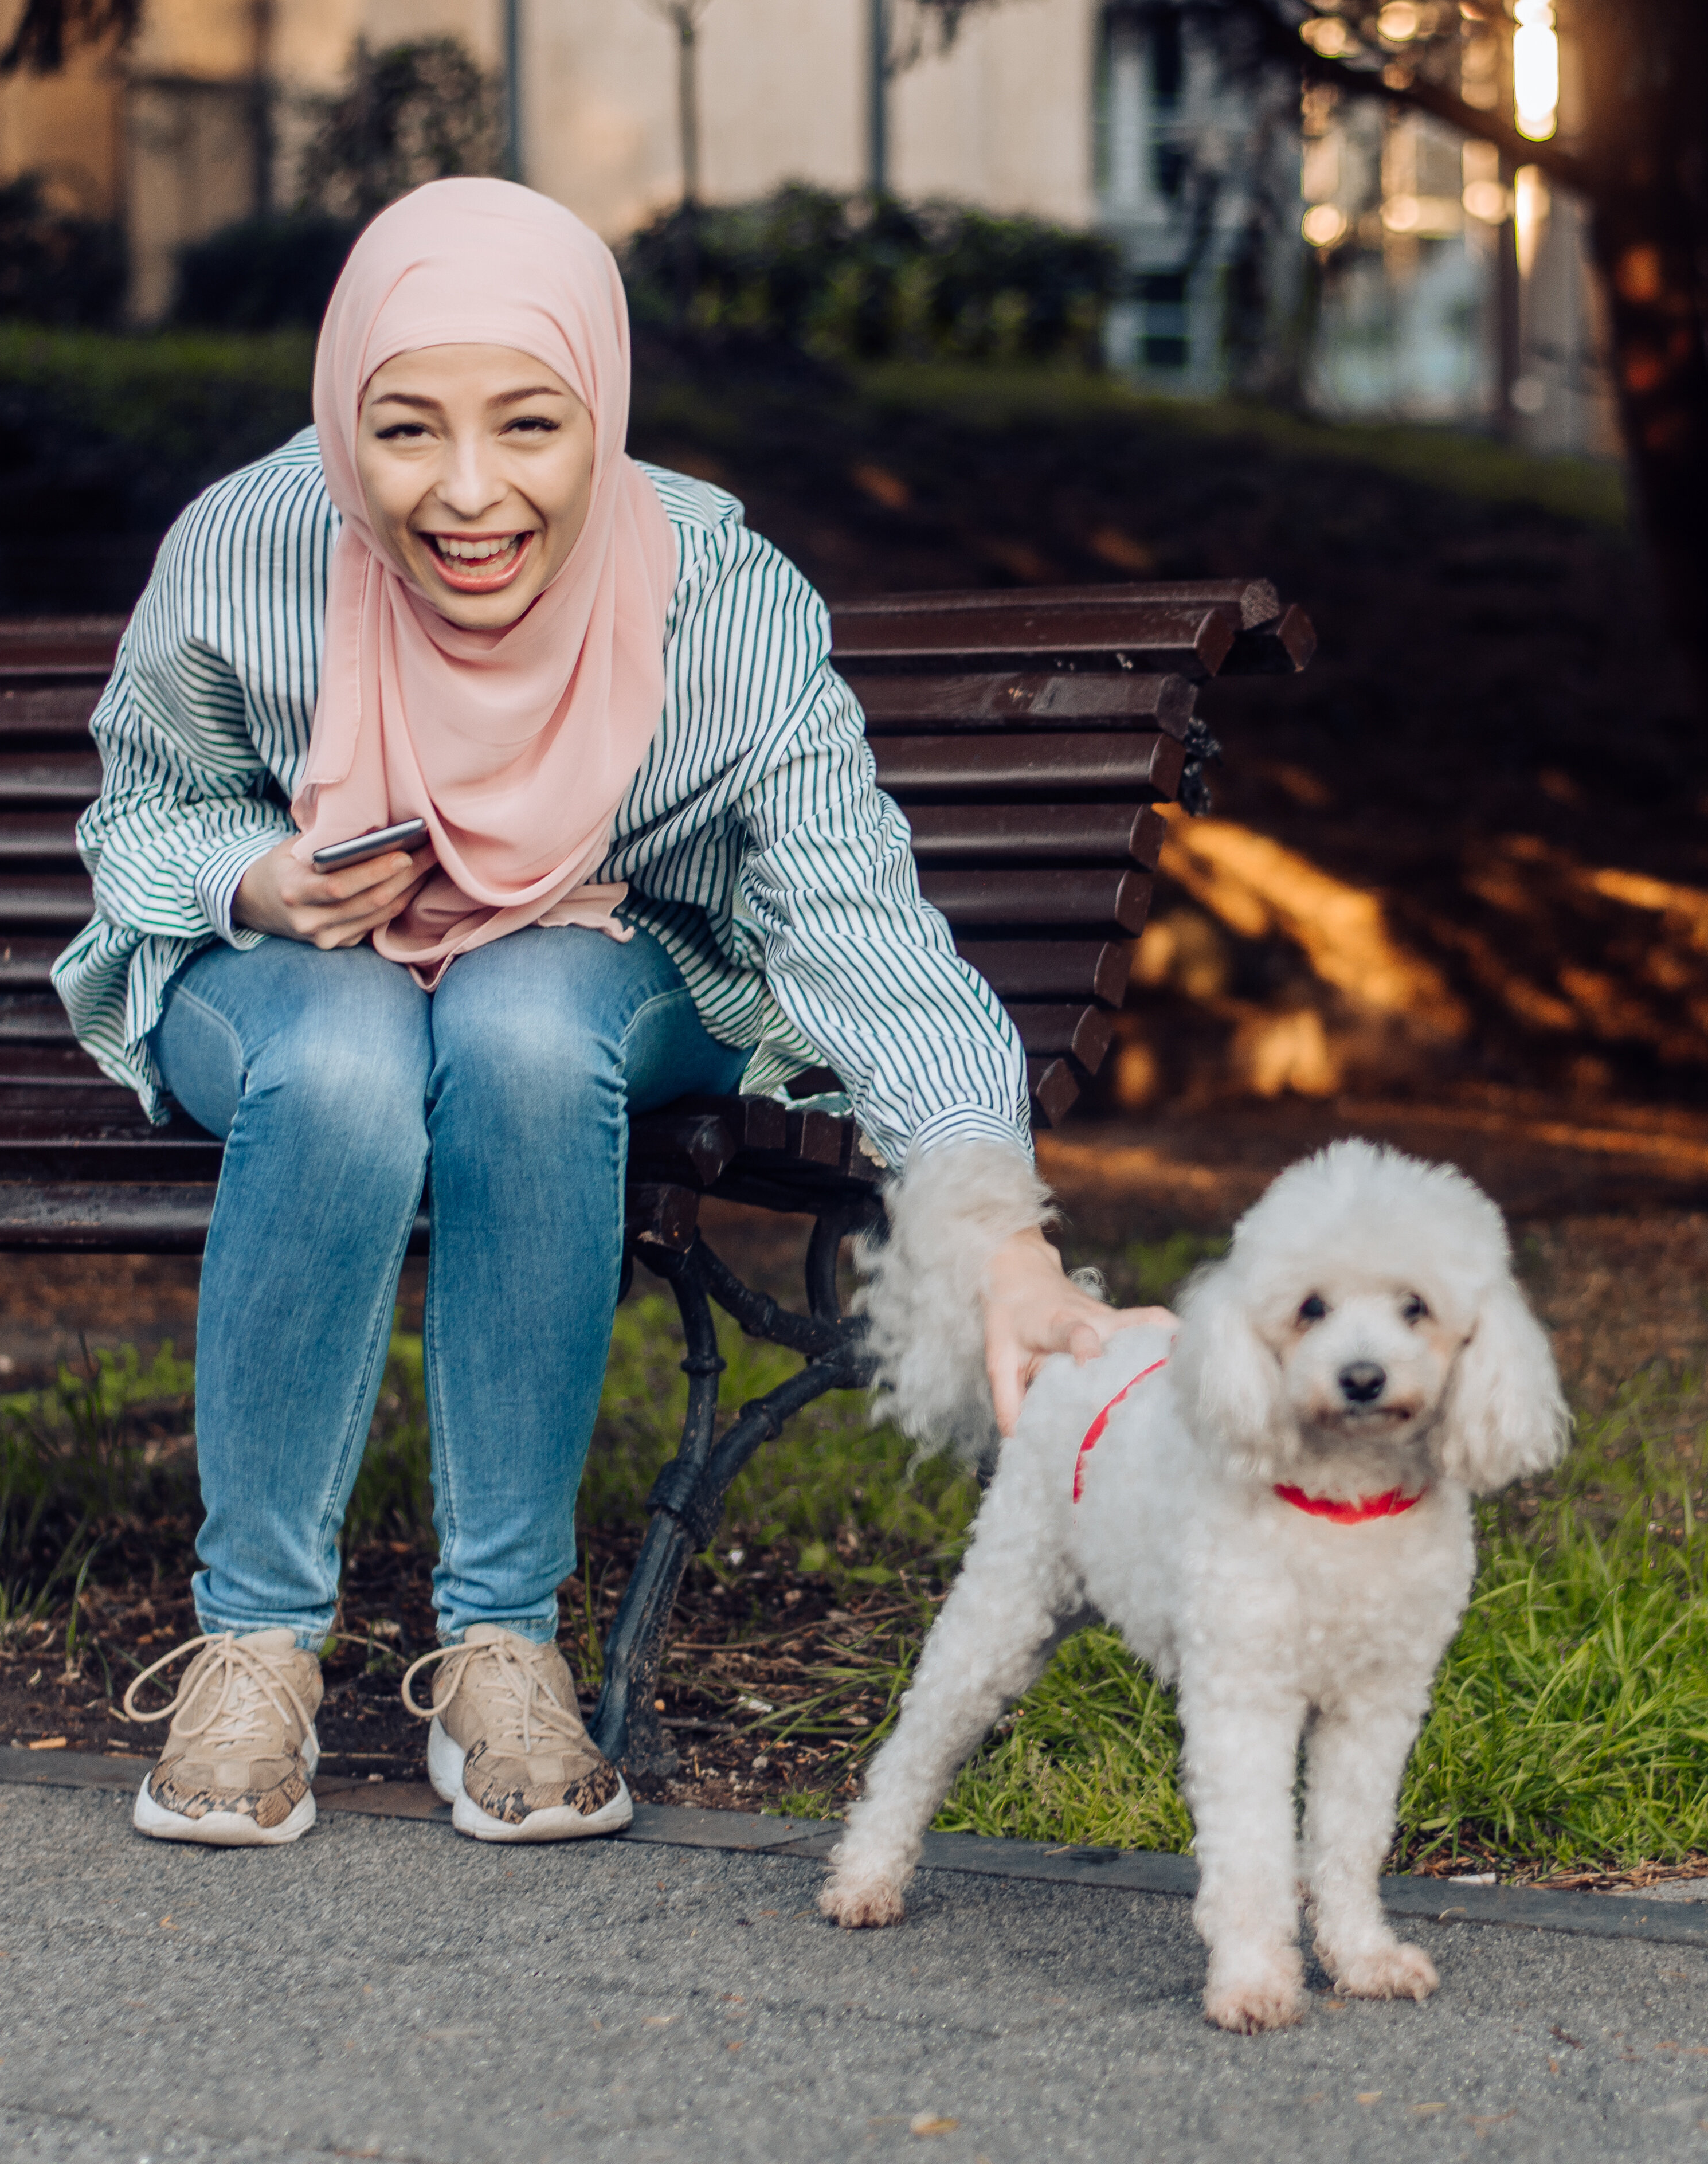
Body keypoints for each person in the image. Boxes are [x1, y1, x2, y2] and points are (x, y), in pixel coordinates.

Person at [56, 178, 1160, 1848]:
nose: (470, 490)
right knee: (353, 1057)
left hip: (601, 972)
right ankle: (257, 1643)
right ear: (344, 417)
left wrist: (993, 1220)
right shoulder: (252, 547)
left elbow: (854, 920)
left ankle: (504, 1639)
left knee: (522, 1009)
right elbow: (143, 813)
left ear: (606, 414)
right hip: (283, 981)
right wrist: (261, 879)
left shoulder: (715, 604)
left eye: (530, 424)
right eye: (407, 429)